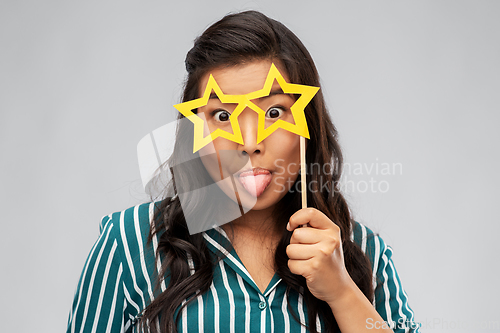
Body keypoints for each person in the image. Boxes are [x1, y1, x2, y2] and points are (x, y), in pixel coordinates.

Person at [66, 10, 419, 333]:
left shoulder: (363, 251)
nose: (249, 143)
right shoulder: (129, 242)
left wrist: (342, 292)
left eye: (274, 113)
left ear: (309, 124)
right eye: (223, 116)